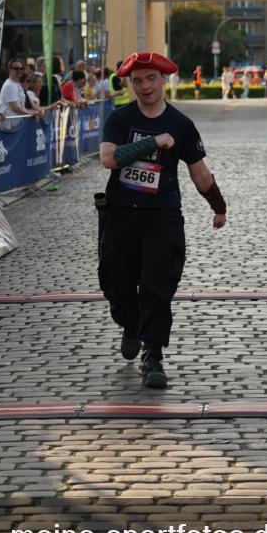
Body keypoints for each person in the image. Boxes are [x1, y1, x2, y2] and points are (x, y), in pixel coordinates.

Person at [98, 51, 227, 389]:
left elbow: (199, 173)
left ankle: (153, 354)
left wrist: (218, 206)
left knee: (158, 283)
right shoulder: (120, 119)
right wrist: (153, 142)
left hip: (163, 214)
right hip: (121, 212)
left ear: (163, 79)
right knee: (117, 283)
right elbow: (108, 159)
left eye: (151, 78)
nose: (145, 86)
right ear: (130, 84)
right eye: (137, 80)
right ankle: (130, 322)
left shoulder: (181, 124)